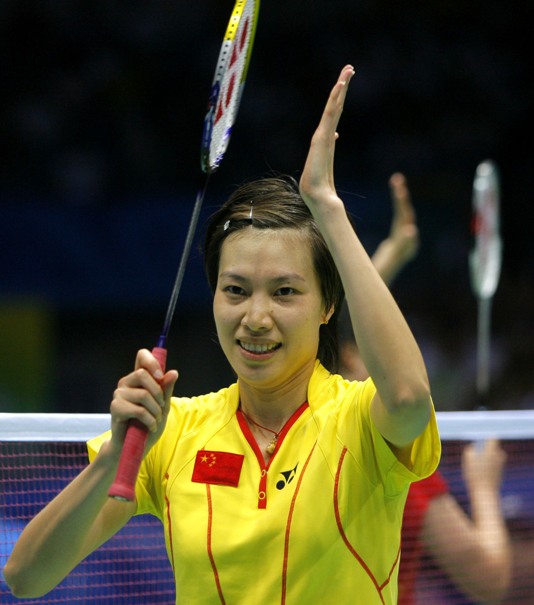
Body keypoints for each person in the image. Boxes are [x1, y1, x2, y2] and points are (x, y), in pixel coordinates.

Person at [3, 65, 440, 605]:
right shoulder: (176, 432)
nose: (255, 317)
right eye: (235, 290)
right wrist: (120, 454)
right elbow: (25, 577)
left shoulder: (360, 419)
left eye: (284, 292)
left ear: (328, 306)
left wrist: (326, 208)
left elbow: (407, 398)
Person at [338, 172, 512, 604]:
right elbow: (488, 579)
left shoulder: (298, 422)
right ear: (348, 361)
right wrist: (484, 486)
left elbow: (337, 327)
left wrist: (391, 255)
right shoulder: (396, 466)